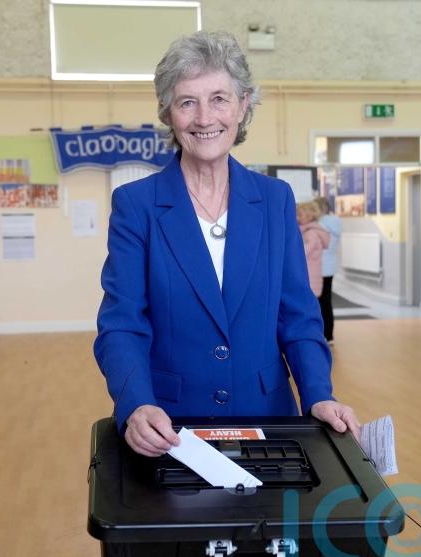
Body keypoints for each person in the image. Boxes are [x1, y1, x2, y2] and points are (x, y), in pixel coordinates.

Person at [94, 31, 360, 457]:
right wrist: (136, 403)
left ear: (243, 105)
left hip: (270, 419)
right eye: (187, 102)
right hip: (173, 428)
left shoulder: (274, 201)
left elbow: (298, 316)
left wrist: (318, 394)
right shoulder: (136, 206)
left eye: (219, 98)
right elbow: (122, 323)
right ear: (168, 113)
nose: (204, 118)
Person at [315, 197, 341, 344]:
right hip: (330, 267)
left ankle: (320, 334)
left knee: (318, 303)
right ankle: (329, 335)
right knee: (327, 302)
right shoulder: (336, 222)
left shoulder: (319, 225)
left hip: (318, 267)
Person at [297, 201, 330, 298]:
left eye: (300, 215)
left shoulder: (311, 233)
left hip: (310, 278)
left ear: (310, 216)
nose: (297, 217)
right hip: (311, 276)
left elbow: (302, 252)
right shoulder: (309, 231)